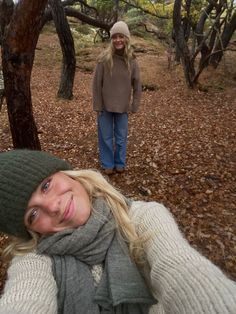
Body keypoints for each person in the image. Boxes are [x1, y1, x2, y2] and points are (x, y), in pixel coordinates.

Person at [0, 149, 236, 314]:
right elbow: (25, 298)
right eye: (33, 214)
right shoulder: (35, 259)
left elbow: (179, 267)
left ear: (64, 172)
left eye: (46, 185)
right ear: (29, 230)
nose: (52, 206)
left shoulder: (142, 218)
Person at [92, 21, 142, 175]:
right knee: (106, 137)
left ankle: (120, 162)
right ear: (111, 39)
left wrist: (135, 104)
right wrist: (98, 105)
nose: (118, 40)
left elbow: (137, 84)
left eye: (121, 36)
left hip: (123, 107)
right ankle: (108, 163)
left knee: (121, 138)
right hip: (105, 106)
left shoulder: (132, 60)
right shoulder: (104, 59)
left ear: (126, 39)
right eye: (114, 37)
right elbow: (96, 84)